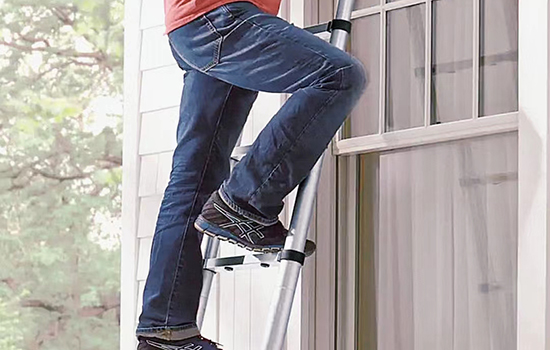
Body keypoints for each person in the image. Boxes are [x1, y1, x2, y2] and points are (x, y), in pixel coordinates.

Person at [136, 0, 367, 348]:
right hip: (220, 18)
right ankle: (243, 202)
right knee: (339, 76)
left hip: (195, 25)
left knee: (193, 178)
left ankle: (164, 329)